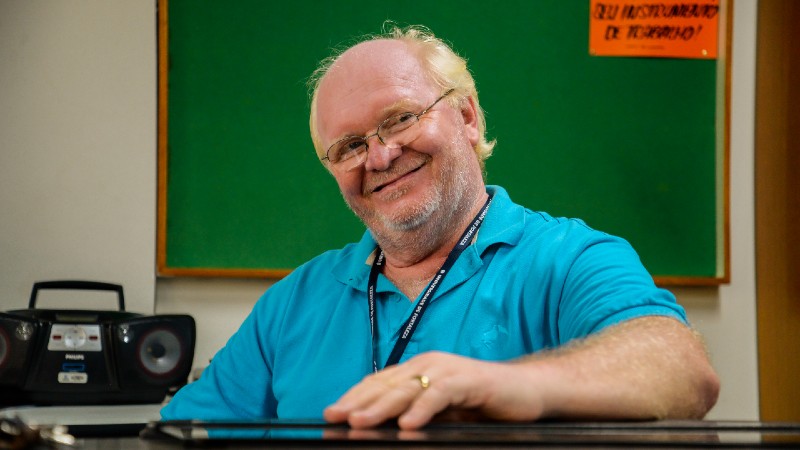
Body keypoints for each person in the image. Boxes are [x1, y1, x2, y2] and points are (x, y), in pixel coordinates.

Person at [161, 24, 719, 430]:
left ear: (468, 117)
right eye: (349, 147)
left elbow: (680, 370)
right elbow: (182, 431)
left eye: (400, 118)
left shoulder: (570, 258)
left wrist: (501, 385)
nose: (378, 157)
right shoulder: (292, 303)